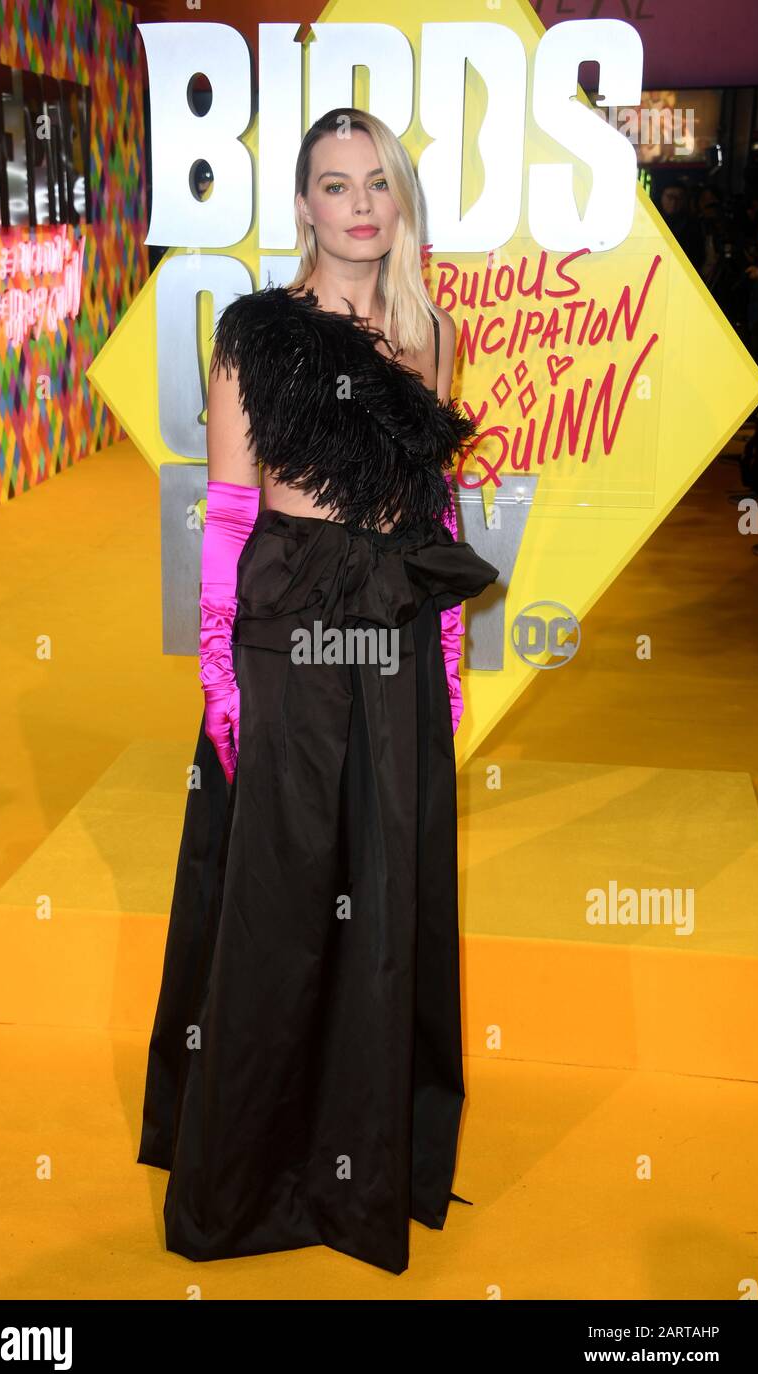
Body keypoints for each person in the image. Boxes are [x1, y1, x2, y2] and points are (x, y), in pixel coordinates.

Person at [136, 106, 499, 1275]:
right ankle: (245, 1179)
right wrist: (217, 667)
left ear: (396, 204)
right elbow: (231, 505)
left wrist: (440, 661)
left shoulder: (425, 335)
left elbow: (433, 512)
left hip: (392, 618)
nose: (356, 203)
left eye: (375, 184)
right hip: (292, 616)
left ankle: (359, 1167)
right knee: (281, 888)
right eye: (333, 184)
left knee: (383, 883)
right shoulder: (255, 331)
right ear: (300, 205)